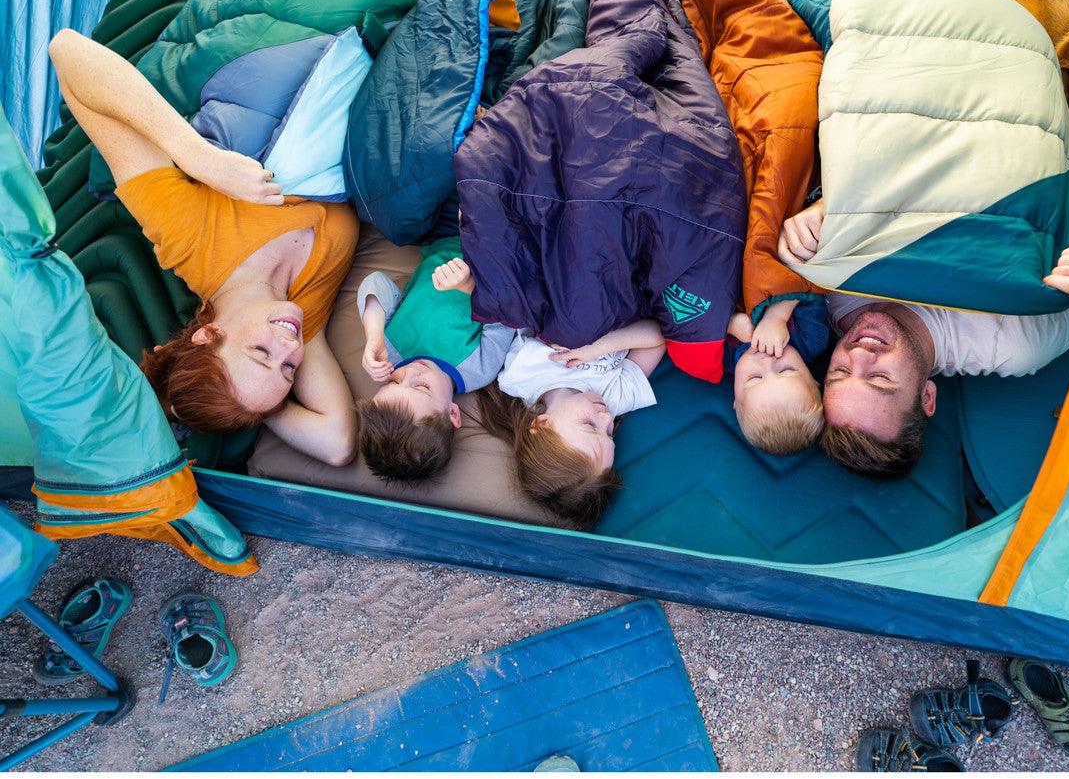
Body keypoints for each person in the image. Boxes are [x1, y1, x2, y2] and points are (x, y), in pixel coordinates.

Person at [47, 30, 359, 464]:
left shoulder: (189, 237)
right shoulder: (305, 319)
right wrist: (254, 402)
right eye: (288, 370)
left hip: (289, 51)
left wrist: (197, 156)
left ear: (208, 334)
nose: (288, 348)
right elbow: (338, 444)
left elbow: (67, 51)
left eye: (261, 353)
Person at [780, 198, 1069, 478]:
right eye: (880, 378)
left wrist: (822, 209)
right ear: (927, 396)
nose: (858, 353)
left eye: (839, 372)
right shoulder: (1012, 341)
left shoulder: (823, 301)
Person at [476, 318, 666, 530]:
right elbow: (660, 334)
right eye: (609, 433)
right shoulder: (616, 397)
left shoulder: (519, 374)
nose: (606, 418)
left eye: (590, 425)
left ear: (543, 423)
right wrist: (601, 346)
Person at [356, 245, 514, 484]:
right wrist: (469, 286)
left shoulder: (389, 351)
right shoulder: (479, 368)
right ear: (452, 412)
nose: (410, 372)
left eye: (394, 382)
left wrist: (374, 333)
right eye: (422, 388)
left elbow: (376, 282)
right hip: (492, 255)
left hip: (441, 239)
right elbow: (507, 315)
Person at [725, 301, 827, 456]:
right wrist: (776, 317)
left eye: (755, 378)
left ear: (735, 399)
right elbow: (811, 290)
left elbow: (690, 325)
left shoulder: (720, 357)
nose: (767, 360)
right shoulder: (810, 338)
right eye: (786, 370)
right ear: (813, 379)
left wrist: (727, 323)